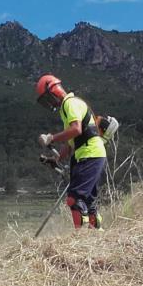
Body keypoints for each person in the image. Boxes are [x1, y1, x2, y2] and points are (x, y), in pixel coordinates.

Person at [35, 73, 106, 230]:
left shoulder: (70, 104)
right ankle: (98, 235)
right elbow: (70, 142)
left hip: (90, 154)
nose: (49, 103)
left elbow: (76, 129)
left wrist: (51, 138)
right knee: (88, 201)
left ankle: (79, 239)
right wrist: (58, 158)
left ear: (53, 90)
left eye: (47, 98)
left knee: (74, 199)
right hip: (91, 154)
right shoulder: (66, 108)